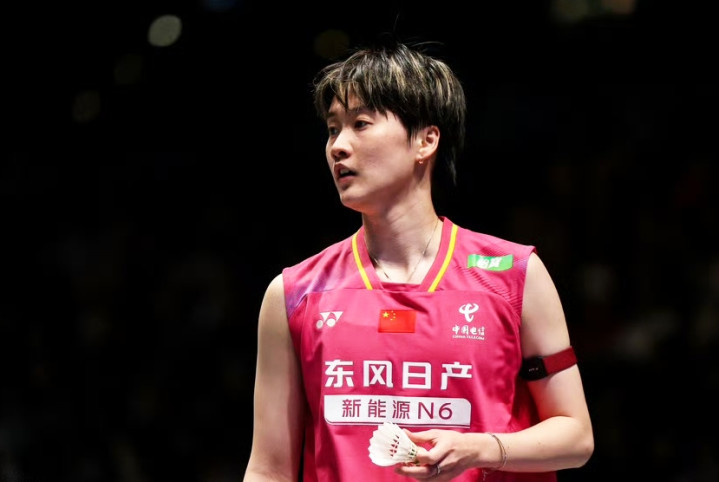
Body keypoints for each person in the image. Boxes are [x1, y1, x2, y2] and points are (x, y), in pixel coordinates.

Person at [243, 37, 594, 482]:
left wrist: (482, 448)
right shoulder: (295, 294)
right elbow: (268, 469)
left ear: (425, 140)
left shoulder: (514, 276)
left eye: (361, 124)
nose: (338, 146)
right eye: (332, 129)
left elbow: (575, 437)